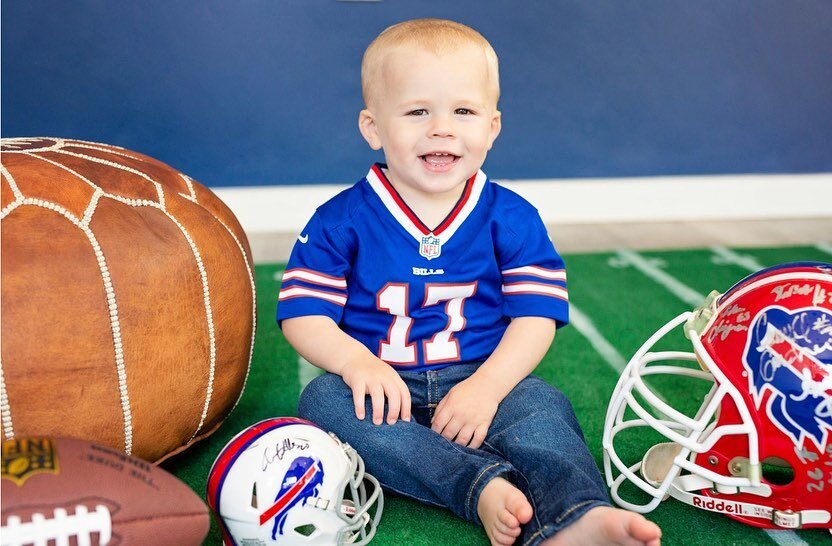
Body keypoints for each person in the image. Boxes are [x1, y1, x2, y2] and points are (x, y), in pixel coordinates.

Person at [277, 18, 662, 546]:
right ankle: (478, 487)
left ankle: (577, 515)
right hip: (382, 385)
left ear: (492, 126)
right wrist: (356, 362)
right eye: (417, 112)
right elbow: (303, 313)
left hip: (485, 375)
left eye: (463, 111)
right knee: (321, 402)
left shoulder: (512, 216)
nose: (442, 128)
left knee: (543, 408)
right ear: (373, 127)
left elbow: (535, 317)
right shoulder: (341, 218)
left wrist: (486, 387)